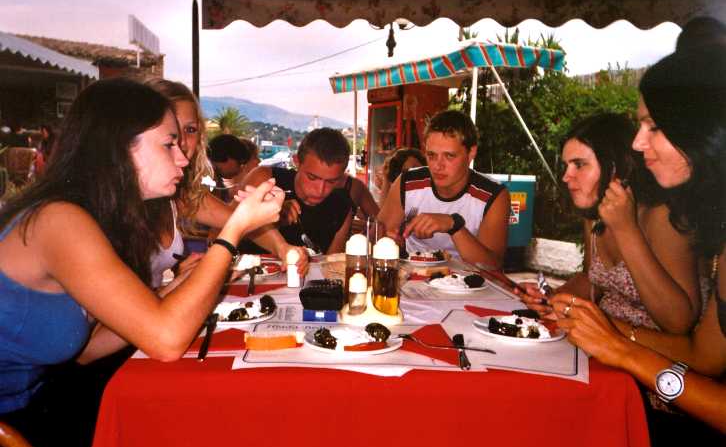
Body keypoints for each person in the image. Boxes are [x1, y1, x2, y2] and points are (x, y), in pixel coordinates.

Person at [0, 78, 283, 447]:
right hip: (16, 433)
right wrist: (234, 231)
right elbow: (167, 340)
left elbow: (87, 349)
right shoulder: (59, 220)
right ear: (119, 148)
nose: (183, 158)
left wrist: (166, 293)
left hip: (40, 403)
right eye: (169, 144)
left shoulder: (99, 217)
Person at [550, 46, 726, 447]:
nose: (637, 142)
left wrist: (618, 343)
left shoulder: (663, 217)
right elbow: (704, 356)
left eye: (654, 125)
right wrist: (599, 329)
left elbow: (681, 327)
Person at [517, 113, 701, 334]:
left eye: (579, 164)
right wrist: (552, 298)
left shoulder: (663, 217)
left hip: (650, 348)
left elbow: (678, 322)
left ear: (615, 168)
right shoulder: (594, 215)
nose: (566, 176)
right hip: (600, 340)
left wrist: (626, 230)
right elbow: (592, 280)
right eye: (566, 166)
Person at [146, 79, 307, 286]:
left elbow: (234, 219)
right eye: (172, 131)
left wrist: (282, 248)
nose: (183, 142)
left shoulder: (180, 192)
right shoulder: (116, 205)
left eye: (191, 130)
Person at [377, 110, 510, 267]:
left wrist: (453, 225)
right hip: (413, 277)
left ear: (471, 153)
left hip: (469, 280)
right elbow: (375, 237)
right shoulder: (407, 182)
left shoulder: (493, 194)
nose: (437, 166)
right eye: (431, 155)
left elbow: (492, 267)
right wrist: (387, 240)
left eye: (449, 156)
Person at [240, 127, 353, 255]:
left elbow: (332, 263)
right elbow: (226, 230)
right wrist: (265, 216)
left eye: (331, 181)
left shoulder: (342, 207)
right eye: (312, 177)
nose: (320, 190)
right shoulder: (265, 180)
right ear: (296, 162)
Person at [208, 134, 260, 203]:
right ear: (227, 157)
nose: (241, 169)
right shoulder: (205, 179)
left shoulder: (214, 179)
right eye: (240, 163)